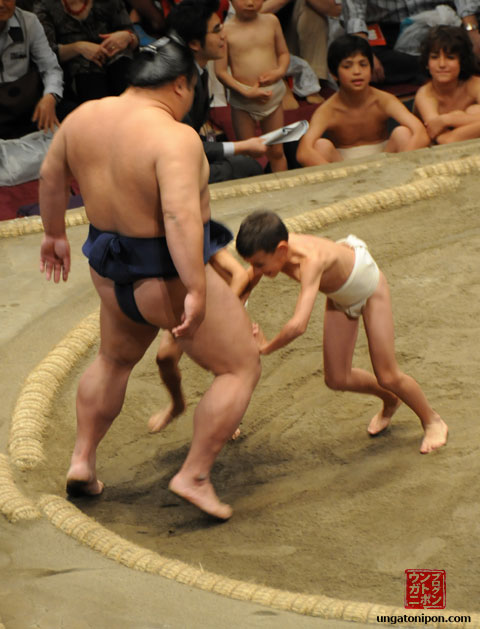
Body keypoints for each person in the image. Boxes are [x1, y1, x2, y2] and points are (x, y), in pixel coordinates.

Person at [38, 37, 261, 520]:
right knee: (239, 366)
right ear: (181, 84)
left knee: (114, 359)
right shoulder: (173, 137)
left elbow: (51, 176)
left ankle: (82, 460)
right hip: (166, 275)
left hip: (110, 268)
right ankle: (195, 474)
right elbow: (181, 219)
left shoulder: (82, 119)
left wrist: (54, 235)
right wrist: (198, 290)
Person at [235, 210, 448, 454]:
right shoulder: (272, 250)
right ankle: (391, 399)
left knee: (388, 375)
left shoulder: (311, 261)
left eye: (259, 264)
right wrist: (233, 305)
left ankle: (432, 420)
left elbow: (298, 325)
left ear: (282, 249)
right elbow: (247, 279)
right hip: (341, 295)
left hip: (369, 289)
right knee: (337, 378)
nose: (256, 269)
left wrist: (265, 346)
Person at [149, 241, 253, 435]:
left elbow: (240, 275)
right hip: (190, 306)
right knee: (165, 357)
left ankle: (230, 417)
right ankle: (177, 404)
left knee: (223, 369)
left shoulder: (203, 238)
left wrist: (220, 312)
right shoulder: (159, 243)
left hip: (225, 303)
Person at [166, 0, 267, 184]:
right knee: (245, 166)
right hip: (174, 169)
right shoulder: (177, 83)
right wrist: (241, 146)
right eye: (216, 30)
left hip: (191, 156)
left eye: (221, 27)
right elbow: (186, 147)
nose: (224, 36)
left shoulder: (198, 70)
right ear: (194, 44)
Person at [296, 35, 429, 165]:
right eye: (347, 66)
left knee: (403, 133)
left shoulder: (384, 99)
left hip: (387, 161)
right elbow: (304, 152)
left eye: (363, 64)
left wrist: (400, 163)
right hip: (343, 167)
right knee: (320, 146)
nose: (357, 71)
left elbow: (420, 132)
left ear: (371, 69)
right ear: (334, 74)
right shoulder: (328, 110)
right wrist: (341, 176)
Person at [341, 0, 480, 85]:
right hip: (387, 26)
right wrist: (364, 52)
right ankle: (453, 62)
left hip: (439, 19)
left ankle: (439, 63)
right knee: (361, 60)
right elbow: (353, 8)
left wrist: (472, 30)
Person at [215, 0, 289, 173]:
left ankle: (284, 191)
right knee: (248, 152)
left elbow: (283, 54)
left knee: (276, 151)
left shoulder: (271, 22)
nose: (250, 2)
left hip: (271, 96)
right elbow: (221, 72)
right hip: (243, 100)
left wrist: (279, 71)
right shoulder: (225, 31)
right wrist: (246, 91)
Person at [34, 0, 138, 107]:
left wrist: (127, 37)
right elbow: (45, 54)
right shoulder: (44, 4)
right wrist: (79, 47)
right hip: (78, 72)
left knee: (125, 76)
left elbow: (132, 35)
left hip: (116, 59)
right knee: (93, 88)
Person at [0, 0, 63, 139]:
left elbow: (51, 68)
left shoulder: (29, 22)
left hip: (24, 108)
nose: (1, 4)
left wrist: (50, 96)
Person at [262, 0, 342, 82]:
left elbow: (336, 8)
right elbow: (237, 17)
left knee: (312, 6)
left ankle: (314, 79)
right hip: (258, 43)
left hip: (293, 41)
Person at [414, 24, 480, 144]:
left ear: (462, 61)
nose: (442, 64)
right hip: (435, 152)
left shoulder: (475, 84)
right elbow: (445, 140)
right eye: (434, 57)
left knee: (475, 110)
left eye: (450, 57)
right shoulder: (425, 94)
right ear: (427, 63)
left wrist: (448, 119)